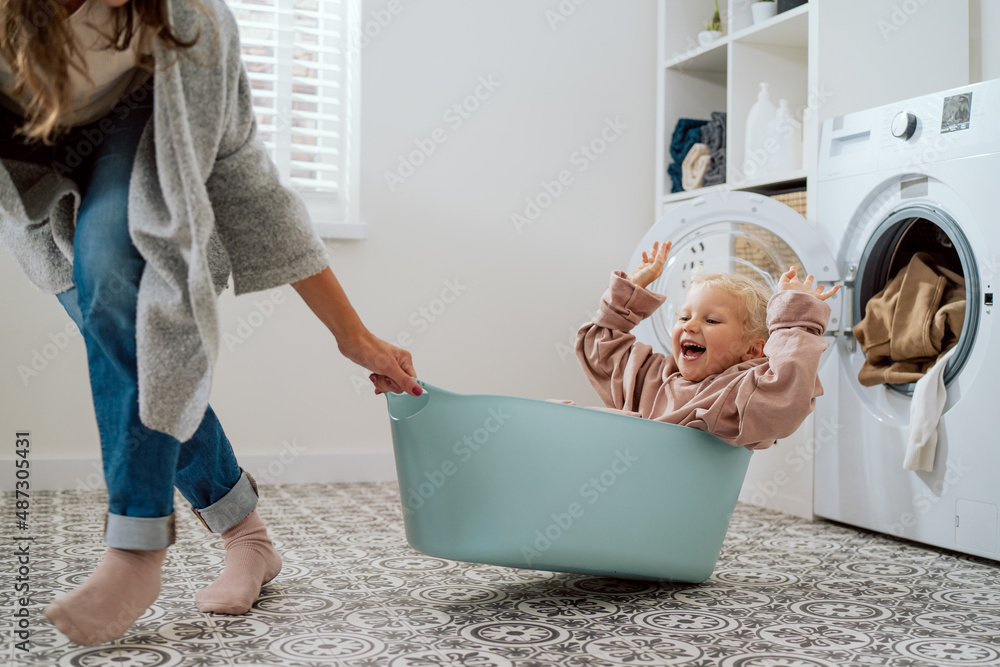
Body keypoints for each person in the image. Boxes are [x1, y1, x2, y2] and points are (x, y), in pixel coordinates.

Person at [0, 0, 419, 647]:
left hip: (137, 139)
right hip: (36, 182)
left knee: (121, 275)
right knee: (131, 345)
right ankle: (247, 533)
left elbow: (251, 188)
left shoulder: (190, 24)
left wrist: (353, 336)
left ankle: (136, 546)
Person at [576, 240, 839, 450]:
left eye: (711, 320)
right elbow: (600, 349)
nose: (690, 326)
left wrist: (794, 319)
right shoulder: (653, 376)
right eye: (684, 316)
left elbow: (787, 392)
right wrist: (629, 292)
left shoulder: (738, 394)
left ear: (751, 350)